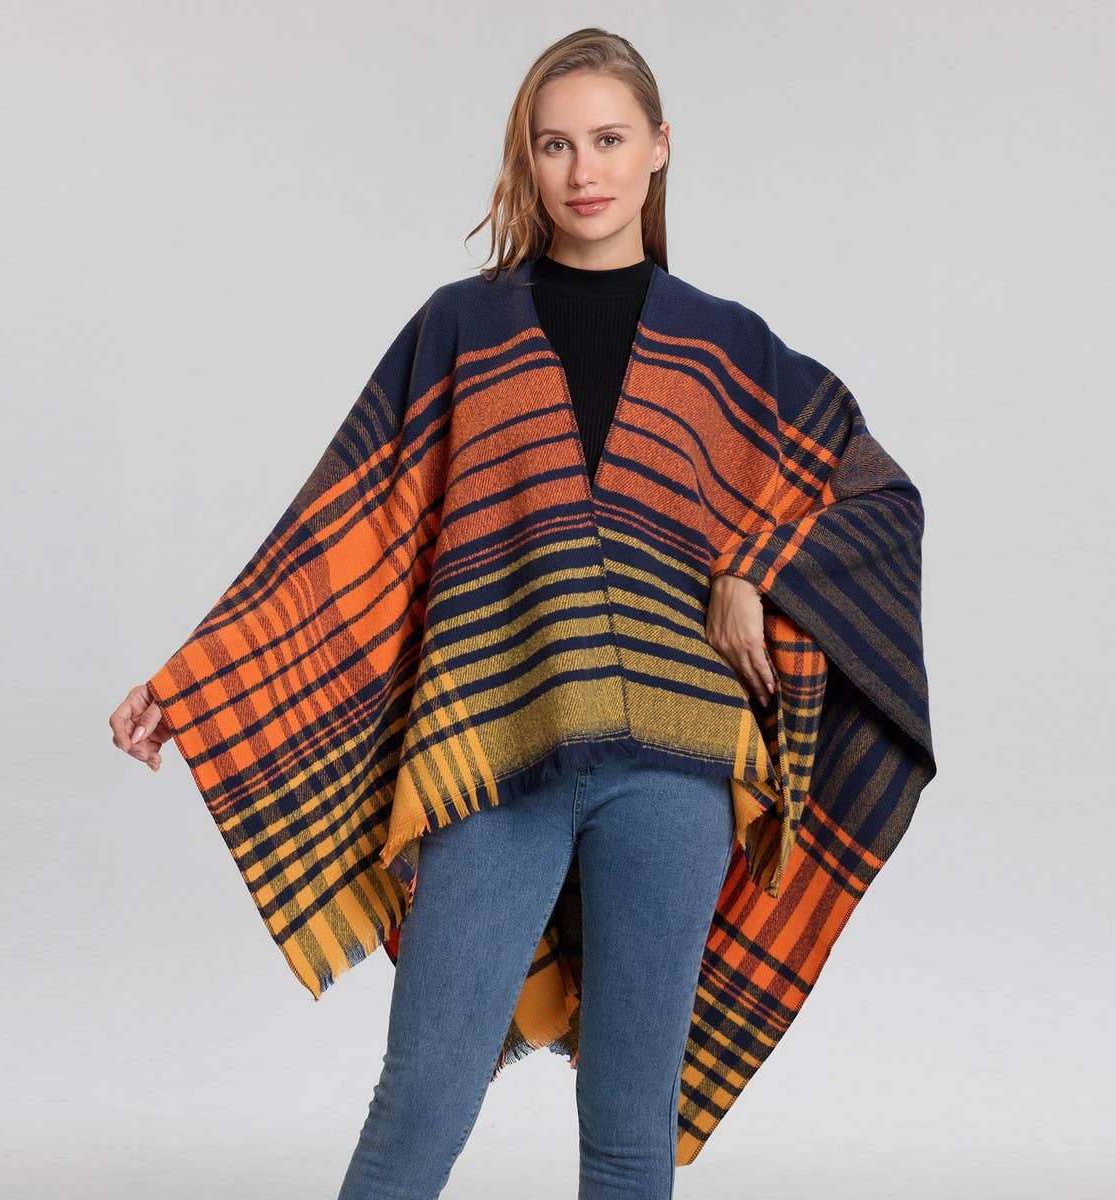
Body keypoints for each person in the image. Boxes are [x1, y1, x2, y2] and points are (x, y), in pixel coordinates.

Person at [110, 26, 935, 1200]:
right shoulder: (463, 327)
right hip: (492, 753)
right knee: (423, 1099)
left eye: (609, 139)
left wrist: (755, 570)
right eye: (555, 145)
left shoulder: (731, 348)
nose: (583, 170)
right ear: (527, 160)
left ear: (659, 149)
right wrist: (195, 681)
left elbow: (878, 495)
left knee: (630, 1130)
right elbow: (344, 528)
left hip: (677, 773)